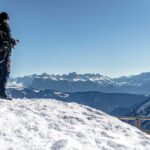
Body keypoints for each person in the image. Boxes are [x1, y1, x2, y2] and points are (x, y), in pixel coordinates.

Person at [0, 12, 19, 100]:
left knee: (0, 72)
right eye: (7, 19)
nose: (8, 21)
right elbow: (8, 38)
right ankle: (2, 93)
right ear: (5, 19)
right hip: (5, 54)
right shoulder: (5, 26)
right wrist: (14, 41)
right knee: (6, 72)